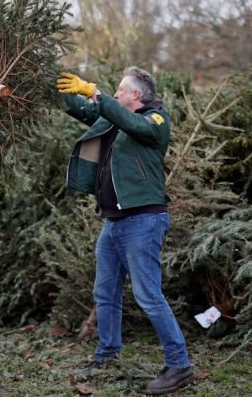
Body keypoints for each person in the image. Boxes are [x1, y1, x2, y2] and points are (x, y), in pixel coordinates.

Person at [56, 68, 194, 395]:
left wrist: (95, 92)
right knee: (105, 292)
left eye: (120, 90)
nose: (115, 94)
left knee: (148, 295)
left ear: (136, 95)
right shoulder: (112, 118)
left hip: (144, 220)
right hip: (114, 222)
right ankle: (107, 355)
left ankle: (179, 364)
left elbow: (129, 122)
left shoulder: (155, 120)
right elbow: (83, 109)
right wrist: (57, 87)